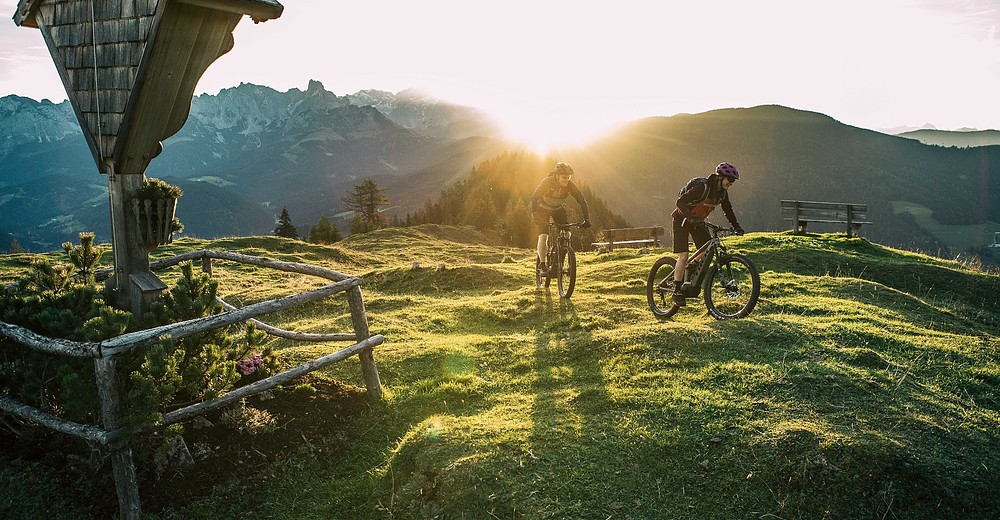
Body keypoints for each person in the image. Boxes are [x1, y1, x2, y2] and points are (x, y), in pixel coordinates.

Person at [671, 162, 745, 306]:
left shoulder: (722, 194)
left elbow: (728, 210)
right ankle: (677, 290)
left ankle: (692, 266)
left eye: (733, 181)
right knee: (684, 255)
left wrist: (737, 227)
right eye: (729, 180)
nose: (731, 183)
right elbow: (680, 202)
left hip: (698, 222)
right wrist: (689, 216)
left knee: (706, 248)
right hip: (681, 219)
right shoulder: (702, 188)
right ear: (720, 177)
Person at [530, 162, 591, 278]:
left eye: (568, 177)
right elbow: (534, 198)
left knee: (567, 234)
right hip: (543, 208)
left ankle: (560, 262)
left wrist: (587, 219)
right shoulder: (547, 182)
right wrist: (535, 214)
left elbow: (582, 200)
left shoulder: (570, 185)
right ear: (557, 176)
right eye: (564, 177)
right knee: (543, 236)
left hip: (558, 209)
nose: (566, 180)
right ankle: (542, 265)